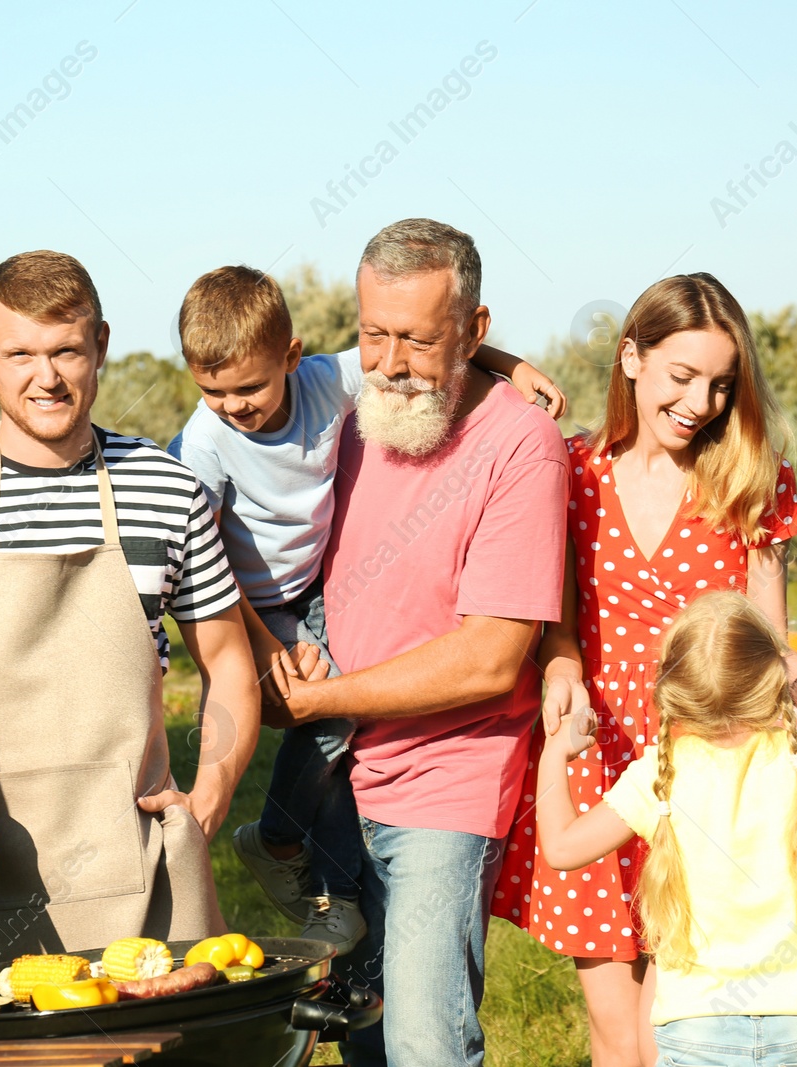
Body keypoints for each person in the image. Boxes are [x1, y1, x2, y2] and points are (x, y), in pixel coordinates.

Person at [493, 273, 797, 1066]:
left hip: (709, 765)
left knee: (676, 1026)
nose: (700, 401)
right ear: (631, 358)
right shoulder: (572, 471)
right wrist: (560, 674)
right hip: (601, 762)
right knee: (618, 1032)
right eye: (682, 376)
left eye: (720, 383)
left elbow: (769, 646)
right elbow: (562, 630)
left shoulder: (751, 478)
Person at [0, 250, 260, 966]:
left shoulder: (168, 489)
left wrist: (211, 792)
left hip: (145, 886)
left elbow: (229, 664)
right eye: (20, 353)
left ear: (100, 345)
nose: (46, 377)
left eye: (67, 350)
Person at [165, 265, 564, 956]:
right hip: (250, 601)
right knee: (328, 711)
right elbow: (199, 562)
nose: (234, 406)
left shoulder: (327, 380)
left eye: (250, 387)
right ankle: (284, 842)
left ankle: (322, 876)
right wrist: (261, 645)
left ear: (292, 357)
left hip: (310, 586)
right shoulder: (203, 446)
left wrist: (512, 365)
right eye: (213, 391)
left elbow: (416, 352)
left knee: (340, 724)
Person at [264, 218, 569, 1067]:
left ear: (474, 329)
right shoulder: (349, 411)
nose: (391, 361)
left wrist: (315, 700)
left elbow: (491, 657)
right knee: (360, 1038)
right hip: (336, 779)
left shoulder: (521, 446)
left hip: (447, 781)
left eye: (418, 339)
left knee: (424, 1041)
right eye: (372, 334)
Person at [534, 591, 797, 1067]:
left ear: (670, 687)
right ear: (773, 680)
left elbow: (560, 847)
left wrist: (555, 753)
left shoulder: (657, 774)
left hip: (695, 1029)